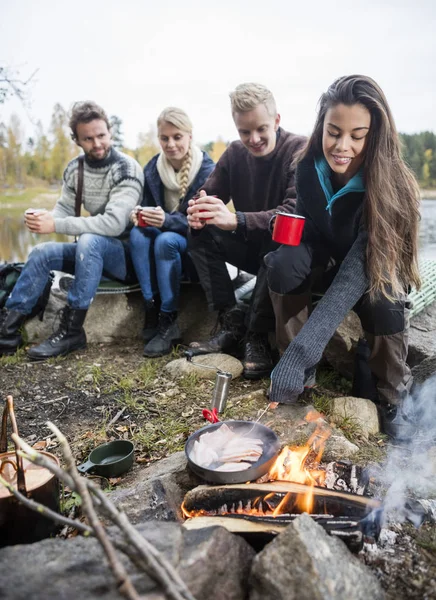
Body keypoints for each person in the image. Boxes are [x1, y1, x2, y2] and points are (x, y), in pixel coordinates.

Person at [265, 75, 421, 439]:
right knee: (284, 263)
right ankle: (299, 381)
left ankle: (393, 396)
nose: (342, 145)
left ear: (375, 134)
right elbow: (309, 230)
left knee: (386, 300)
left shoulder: (390, 183)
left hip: (373, 269)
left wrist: (306, 347)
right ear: (322, 125)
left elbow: (358, 270)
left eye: (357, 135)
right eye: (334, 131)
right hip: (329, 259)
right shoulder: (307, 167)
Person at [0, 101, 144, 360]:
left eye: (101, 135)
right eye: (88, 138)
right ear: (77, 140)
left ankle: (72, 332)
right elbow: (63, 212)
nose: (97, 143)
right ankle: (7, 335)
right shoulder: (75, 169)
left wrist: (55, 224)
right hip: (89, 255)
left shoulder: (127, 168)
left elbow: (113, 224)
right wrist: (42, 218)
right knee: (42, 253)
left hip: (126, 258)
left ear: (110, 132)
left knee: (90, 239)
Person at [186, 83, 306, 379]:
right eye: (244, 132)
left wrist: (236, 220)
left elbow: (293, 212)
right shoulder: (235, 153)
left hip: (285, 253)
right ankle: (230, 323)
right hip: (249, 247)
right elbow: (209, 193)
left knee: (279, 242)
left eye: (261, 129)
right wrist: (198, 210)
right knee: (200, 233)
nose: (253, 139)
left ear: (277, 120)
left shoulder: (299, 149)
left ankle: (256, 335)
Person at [129, 107, 214, 357]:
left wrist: (165, 219)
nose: (171, 144)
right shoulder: (153, 167)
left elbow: (201, 220)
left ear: (189, 136)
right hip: (161, 238)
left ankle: (168, 319)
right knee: (137, 234)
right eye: (164, 138)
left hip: (194, 244)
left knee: (166, 240)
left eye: (177, 136)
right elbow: (145, 205)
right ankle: (151, 307)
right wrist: (139, 215)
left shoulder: (207, 169)